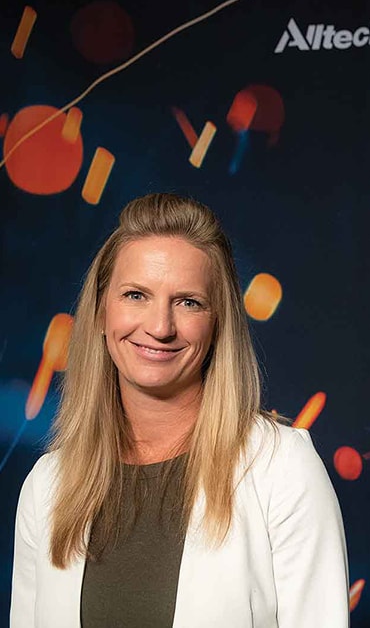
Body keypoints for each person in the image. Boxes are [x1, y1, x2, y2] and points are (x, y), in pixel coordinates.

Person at [10, 193, 349, 627]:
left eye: (188, 301)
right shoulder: (47, 487)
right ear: (99, 312)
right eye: (136, 295)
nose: (159, 327)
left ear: (217, 322)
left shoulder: (281, 469)